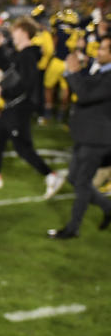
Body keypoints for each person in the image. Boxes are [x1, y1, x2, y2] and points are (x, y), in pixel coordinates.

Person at [0, 18, 65, 197]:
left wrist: (4, 91)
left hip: (20, 105)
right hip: (15, 104)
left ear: (23, 32)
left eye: (15, 31)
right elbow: (8, 66)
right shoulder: (23, 53)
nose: (12, 35)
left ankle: (51, 175)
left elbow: (27, 83)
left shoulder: (28, 54)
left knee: (23, 148)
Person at [47, 36, 111, 239]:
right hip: (86, 135)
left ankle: (72, 229)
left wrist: (73, 72)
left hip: (97, 138)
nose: (97, 52)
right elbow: (84, 89)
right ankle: (108, 207)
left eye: (102, 49)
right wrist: (75, 72)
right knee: (75, 178)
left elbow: (84, 95)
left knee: (81, 182)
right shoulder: (102, 71)